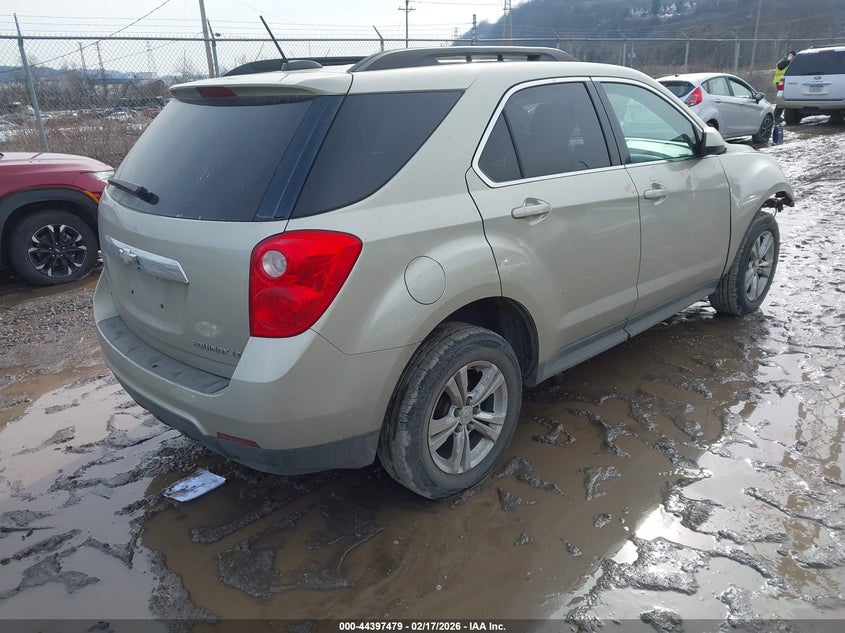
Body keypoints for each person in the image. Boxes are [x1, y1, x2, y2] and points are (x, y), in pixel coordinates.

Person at [773, 50, 796, 120]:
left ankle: (777, 115)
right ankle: (776, 116)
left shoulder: (787, 62)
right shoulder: (784, 62)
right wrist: (790, 57)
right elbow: (782, 65)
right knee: (782, 99)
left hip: (783, 82)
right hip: (781, 82)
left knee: (783, 99)